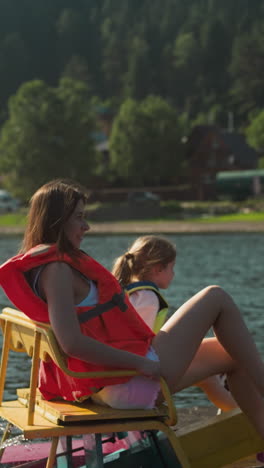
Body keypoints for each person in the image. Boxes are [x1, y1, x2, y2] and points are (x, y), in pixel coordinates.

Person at [1, 179, 264, 439]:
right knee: (215, 296)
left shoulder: (46, 266)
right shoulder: (56, 270)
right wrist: (140, 363)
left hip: (113, 379)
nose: (86, 226)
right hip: (123, 382)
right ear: (57, 220)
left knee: (231, 352)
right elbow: (71, 342)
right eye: (79, 217)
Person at [112, 235, 237, 412]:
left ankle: (234, 412)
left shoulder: (127, 292)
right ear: (158, 269)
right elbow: (135, 345)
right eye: (172, 268)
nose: (173, 274)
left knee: (211, 369)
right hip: (134, 384)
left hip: (123, 382)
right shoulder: (147, 298)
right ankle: (244, 415)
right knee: (230, 352)